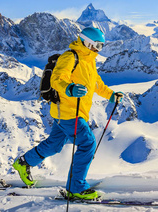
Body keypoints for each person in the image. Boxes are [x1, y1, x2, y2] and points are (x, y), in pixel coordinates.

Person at [13, 27, 123, 200]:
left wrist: (111, 95)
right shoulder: (70, 57)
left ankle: (23, 163)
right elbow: (57, 79)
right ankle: (76, 188)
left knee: (54, 144)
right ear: (87, 42)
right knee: (87, 144)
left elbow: (96, 84)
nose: (99, 49)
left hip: (69, 113)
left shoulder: (89, 61)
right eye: (97, 45)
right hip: (68, 112)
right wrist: (69, 89)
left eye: (101, 46)